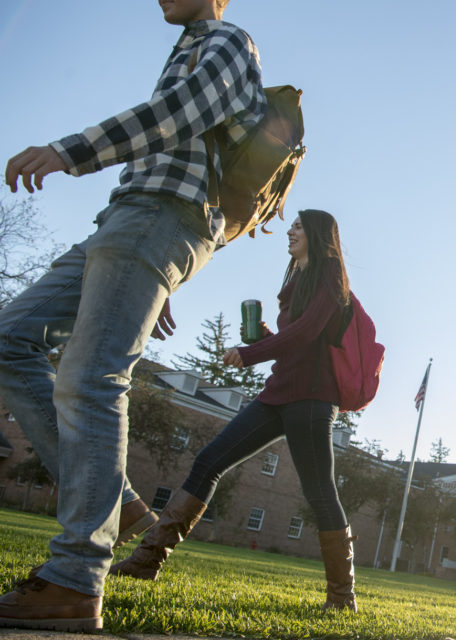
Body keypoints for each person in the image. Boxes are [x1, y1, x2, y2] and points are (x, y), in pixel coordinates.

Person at [0, 0, 265, 631]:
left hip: (158, 218)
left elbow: (179, 115)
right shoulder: (185, 47)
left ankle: (72, 579)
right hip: (123, 224)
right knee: (11, 338)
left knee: (90, 377)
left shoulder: (230, 41)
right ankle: (114, 501)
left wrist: (70, 150)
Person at [110, 211, 359, 613]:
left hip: (312, 401)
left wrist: (250, 352)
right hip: (278, 394)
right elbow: (297, 340)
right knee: (209, 461)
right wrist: (264, 337)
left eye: (298, 226)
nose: (290, 231)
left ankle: (342, 598)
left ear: (316, 233)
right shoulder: (299, 278)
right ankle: (146, 562)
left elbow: (308, 333)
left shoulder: (330, 277)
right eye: (291, 225)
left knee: (319, 491)